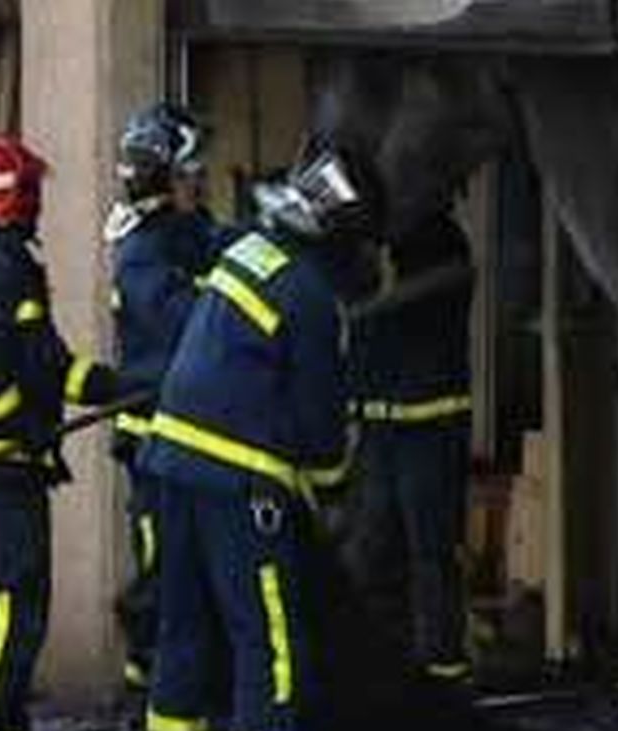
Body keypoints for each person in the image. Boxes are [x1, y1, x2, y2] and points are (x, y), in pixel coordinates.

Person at [141, 149, 377, 731]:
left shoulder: (247, 250)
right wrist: (333, 498)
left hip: (169, 462)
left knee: (183, 630)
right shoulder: (312, 296)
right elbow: (320, 422)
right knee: (268, 645)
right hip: (240, 484)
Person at [0, 133, 120, 731]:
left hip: (6, 466)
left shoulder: (7, 265)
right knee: (4, 609)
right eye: (33, 190)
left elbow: (46, 365)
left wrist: (116, 386)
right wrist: (24, 426)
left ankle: (3, 716)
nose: (40, 202)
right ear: (17, 197)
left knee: (21, 610)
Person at [105, 102, 220, 698]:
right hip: (153, 438)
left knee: (190, 560)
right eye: (190, 169)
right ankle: (148, 673)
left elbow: (224, 247)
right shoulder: (142, 253)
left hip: (189, 433)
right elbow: (194, 327)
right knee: (165, 562)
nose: (201, 178)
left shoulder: (189, 232)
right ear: (160, 178)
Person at [345, 210, 473, 683]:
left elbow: (436, 289)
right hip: (382, 433)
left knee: (429, 554)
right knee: (373, 556)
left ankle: (442, 672)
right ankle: (387, 670)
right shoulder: (366, 260)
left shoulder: (439, 247)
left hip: (428, 430)